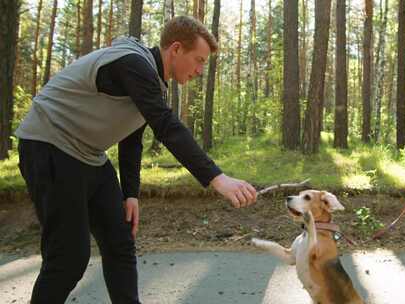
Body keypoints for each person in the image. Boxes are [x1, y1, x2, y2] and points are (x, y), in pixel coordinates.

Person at [16, 16, 257, 304]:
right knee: (68, 258)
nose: (200, 70)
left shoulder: (150, 81)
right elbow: (166, 126)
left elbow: (131, 139)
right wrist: (217, 177)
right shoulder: (133, 63)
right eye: (199, 60)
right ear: (176, 49)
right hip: (48, 144)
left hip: (87, 154)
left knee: (120, 242)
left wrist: (131, 194)